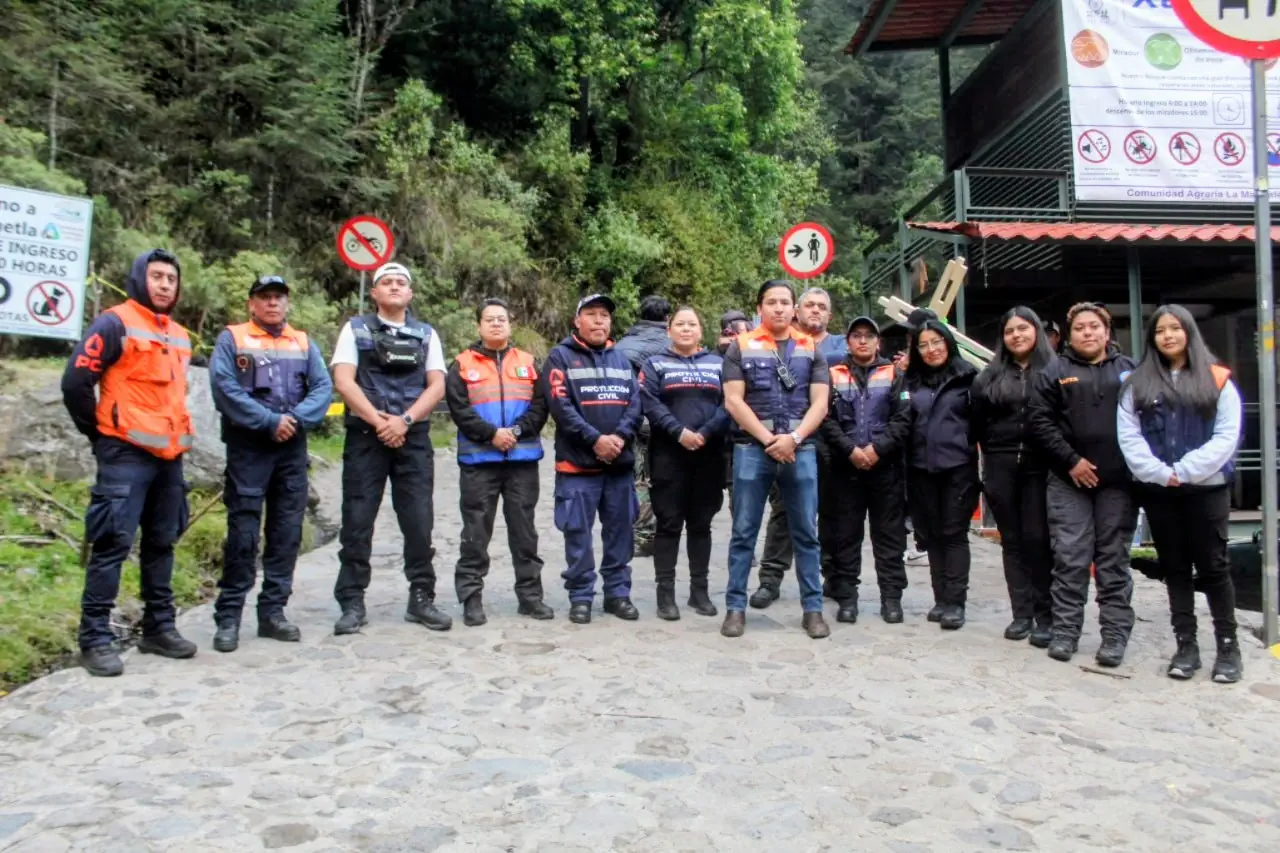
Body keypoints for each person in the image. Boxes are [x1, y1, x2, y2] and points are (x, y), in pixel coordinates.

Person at [61, 249, 198, 676]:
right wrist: (100, 434)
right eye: (156, 276)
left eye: (171, 279)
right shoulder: (114, 322)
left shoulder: (179, 335)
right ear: (140, 279)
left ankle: (158, 628)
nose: (164, 285)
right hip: (124, 453)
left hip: (169, 458)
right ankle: (94, 638)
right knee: (111, 545)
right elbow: (76, 381)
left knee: (162, 542)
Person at [1117, 305, 1243, 683]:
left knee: (1214, 567)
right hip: (1159, 490)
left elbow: (1226, 435)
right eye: (1160, 330)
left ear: (1189, 332)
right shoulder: (1136, 383)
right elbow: (1129, 436)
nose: (1168, 336)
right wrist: (1160, 474)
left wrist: (1186, 471)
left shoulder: (1218, 380)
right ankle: (1185, 646)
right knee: (1174, 568)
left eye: (1175, 328)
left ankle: (1228, 647)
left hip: (1206, 490)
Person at [208, 275, 332, 652]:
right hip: (249, 449)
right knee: (243, 533)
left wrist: (293, 420)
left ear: (287, 303)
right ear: (252, 303)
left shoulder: (303, 342)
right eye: (265, 297)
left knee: (286, 532)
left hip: (291, 449)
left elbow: (323, 388)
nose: (273, 303)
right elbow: (223, 388)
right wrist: (268, 421)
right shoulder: (233, 339)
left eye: (279, 297)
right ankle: (229, 617)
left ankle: (273, 612)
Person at [330, 262, 450, 635]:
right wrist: (379, 421)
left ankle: (421, 598)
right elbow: (344, 381)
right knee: (357, 520)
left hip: (412, 439)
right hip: (367, 439)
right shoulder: (355, 329)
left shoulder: (426, 334)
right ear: (375, 292)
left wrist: (406, 421)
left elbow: (437, 385)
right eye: (387, 282)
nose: (395, 287)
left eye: (401, 283)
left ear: (410, 294)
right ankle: (352, 601)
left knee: (419, 521)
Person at [1028, 302, 1137, 667]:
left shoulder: (1129, 371)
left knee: (1113, 560)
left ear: (1107, 331)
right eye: (1080, 328)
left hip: (1117, 483)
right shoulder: (1054, 372)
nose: (1087, 333)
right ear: (1069, 335)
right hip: (1067, 479)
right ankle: (1065, 631)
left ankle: (1114, 636)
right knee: (1070, 557)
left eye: (1094, 327)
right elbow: (1039, 423)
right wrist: (1070, 461)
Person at [721, 280, 831, 639]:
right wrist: (771, 440)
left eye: (786, 302)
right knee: (743, 532)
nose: (780, 308)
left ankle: (812, 610)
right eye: (772, 302)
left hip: (801, 450)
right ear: (759, 307)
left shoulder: (811, 349)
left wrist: (795, 439)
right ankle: (735, 608)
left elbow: (820, 403)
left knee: (806, 534)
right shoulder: (740, 347)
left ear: (794, 309)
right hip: (752, 450)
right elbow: (734, 402)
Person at [446, 298, 553, 625]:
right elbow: (460, 410)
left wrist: (516, 432)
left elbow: (540, 406)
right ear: (478, 325)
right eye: (489, 319)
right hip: (480, 461)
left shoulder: (530, 362)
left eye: (501, 319)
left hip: (521, 460)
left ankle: (531, 597)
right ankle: (471, 598)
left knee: (525, 532)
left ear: (510, 324)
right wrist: (492, 434)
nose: (496, 324)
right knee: (475, 532)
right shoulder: (462, 364)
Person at [546, 294, 644, 624]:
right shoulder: (560, 358)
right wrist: (595, 440)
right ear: (577, 321)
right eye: (592, 314)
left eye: (604, 315)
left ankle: (618, 594)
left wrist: (617, 438)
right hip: (577, 467)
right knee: (578, 534)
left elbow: (635, 404)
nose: (599, 321)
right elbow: (561, 408)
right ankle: (581, 596)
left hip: (618, 466)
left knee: (620, 533)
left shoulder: (622, 360)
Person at [750, 287, 843, 607]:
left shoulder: (843, 346)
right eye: (809, 305)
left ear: (830, 315)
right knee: (784, 511)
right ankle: (770, 579)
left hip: (834, 442)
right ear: (795, 312)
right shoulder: (775, 345)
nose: (815, 311)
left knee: (833, 509)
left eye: (822, 306)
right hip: (787, 443)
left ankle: (833, 577)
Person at [971, 306, 1056, 648]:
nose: (1017, 335)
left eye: (1023, 329)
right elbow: (976, 424)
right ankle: (1022, 613)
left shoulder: (1054, 371)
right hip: (1001, 465)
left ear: (1036, 331)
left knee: (1038, 538)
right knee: (1013, 540)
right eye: (1010, 331)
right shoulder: (989, 377)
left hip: (1041, 465)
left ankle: (1046, 614)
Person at [639, 307, 729, 620]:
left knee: (701, 524)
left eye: (692, 324)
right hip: (668, 456)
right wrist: (679, 433)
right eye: (680, 324)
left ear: (701, 331)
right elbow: (649, 402)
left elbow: (729, 403)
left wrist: (704, 433)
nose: (686, 329)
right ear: (669, 330)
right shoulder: (654, 364)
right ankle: (665, 595)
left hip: (709, 454)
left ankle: (699, 592)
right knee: (669, 523)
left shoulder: (718, 364)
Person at [819, 316, 911, 624]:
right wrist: (850, 450)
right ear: (847, 342)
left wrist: (877, 449)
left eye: (868, 336)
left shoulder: (895, 374)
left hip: (886, 469)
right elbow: (824, 419)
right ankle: (847, 599)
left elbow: (903, 419)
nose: (862, 341)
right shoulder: (833, 374)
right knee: (845, 537)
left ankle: (892, 599)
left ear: (877, 342)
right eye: (856, 336)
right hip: (845, 470)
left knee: (889, 538)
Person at [904, 317, 980, 629]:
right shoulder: (911, 383)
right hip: (921, 468)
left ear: (948, 342)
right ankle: (941, 599)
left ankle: (956, 602)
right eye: (923, 345)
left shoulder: (968, 378)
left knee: (953, 533)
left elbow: (979, 424)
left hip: (957, 468)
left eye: (936, 342)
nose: (931, 349)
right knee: (931, 533)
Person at [615, 295, 673, 558]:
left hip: (634, 422)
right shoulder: (676, 343)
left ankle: (643, 534)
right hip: (669, 424)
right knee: (668, 476)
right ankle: (668, 528)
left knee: (638, 478)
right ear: (668, 318)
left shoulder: (621, 346)